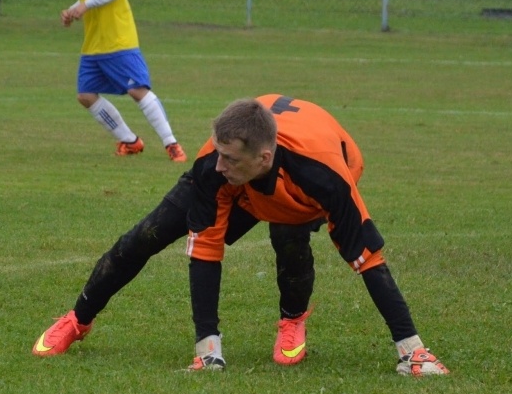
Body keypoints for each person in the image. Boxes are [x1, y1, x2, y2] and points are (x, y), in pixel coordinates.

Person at [33, 94, 449, 377]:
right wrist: (207, 350)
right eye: (219, 153)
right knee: (146, 236)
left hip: (300, 182)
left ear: (263, 156)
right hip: (248, 182)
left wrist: (412, 349)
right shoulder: (216, 165)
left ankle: (292, 321)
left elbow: (369, 260)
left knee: (289, 241)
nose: (219, 164)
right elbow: (206, 250)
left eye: (228, 157)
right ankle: (77, 319)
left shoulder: (323, 177)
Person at [62, 0, 187, 162]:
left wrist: (86, 5)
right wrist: (73, 10)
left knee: (137, 90)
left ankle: (172, 144)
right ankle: (129, 141)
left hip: (118, 39)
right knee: (86, 95)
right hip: (94, 42)